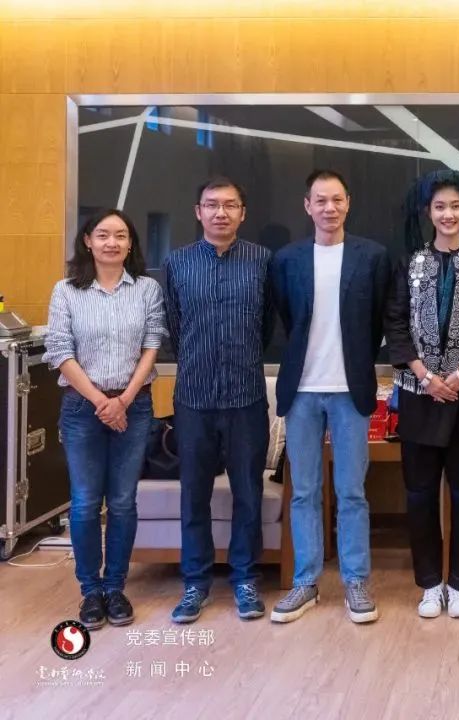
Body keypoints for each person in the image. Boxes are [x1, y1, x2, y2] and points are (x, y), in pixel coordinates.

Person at [268, 170, 390, 625]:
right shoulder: (287, 259)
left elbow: (379, 318)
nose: (329, 208)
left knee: (352, 492)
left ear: (348, 203)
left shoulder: (372, 256)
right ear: (307, 206)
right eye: (320, 200)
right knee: (303, 492)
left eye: (336, 199)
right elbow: (286, 318)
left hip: (350, 389)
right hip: (301, 390)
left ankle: (356, 580)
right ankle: (306, 582)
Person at [385, 169, 459, 619]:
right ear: (428, 212)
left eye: (456, 206)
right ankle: (429, 584)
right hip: (420, 397)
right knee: (419, 495)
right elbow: (395, 323)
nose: (448, 214)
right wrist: (425, 376)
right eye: (440, 207)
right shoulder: (410, 262)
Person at [43, 209, 165, 630]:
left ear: (131, 244)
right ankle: (90, 591)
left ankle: (115, 588)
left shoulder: (147, 289)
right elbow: (60, 350)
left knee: (123, 501)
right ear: (88, 241)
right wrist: (101, 401)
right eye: (103, 235)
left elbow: (152, 344)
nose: (112, 242)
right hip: (83, 408)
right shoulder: (66, 291)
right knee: (84, 502)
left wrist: (123, 400)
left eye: (120, 235)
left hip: (134, 405)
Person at [164, 176, 275, 624]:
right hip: (193, 398)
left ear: (242, 213)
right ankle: (195, 583)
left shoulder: (262, 260)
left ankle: (245, 579)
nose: (220, 213)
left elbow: (267, 327)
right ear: (198, 212)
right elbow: (175, 327)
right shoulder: (177, 262)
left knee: (248, 492)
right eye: (211, 205)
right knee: (194, 495)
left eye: (230, 205)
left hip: (246, 396)